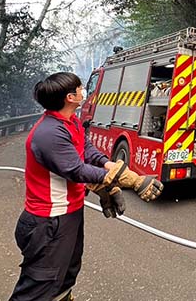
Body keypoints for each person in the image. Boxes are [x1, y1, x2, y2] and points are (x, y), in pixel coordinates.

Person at [10, 72, 164, 301]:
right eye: (80, 87)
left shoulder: (70, 122)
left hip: (68, 216)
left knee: (65, 275)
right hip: (48, 222)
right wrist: (130, 179)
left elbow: (87, 150)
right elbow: (76, 169)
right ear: (70, 97)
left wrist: (107, 166)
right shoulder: (49, 134)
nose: (84, 90)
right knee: (39, 288)